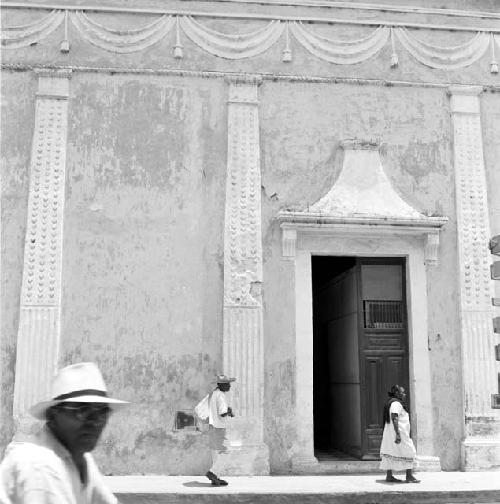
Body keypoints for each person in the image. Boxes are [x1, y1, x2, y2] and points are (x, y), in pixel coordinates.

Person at [0, 362, 129, 503]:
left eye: (102, 412)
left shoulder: (80, 457)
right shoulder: (39, 463)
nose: (94, 421)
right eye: (83, 411)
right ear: (53, 415)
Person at [379, 384, 420, 483]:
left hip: (392, 433)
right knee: (409, 451)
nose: (405, 394)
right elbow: (394, 417)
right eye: (403, 392)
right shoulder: (396, 404)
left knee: (391, 452)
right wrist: (398, 434)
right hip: (399, 433)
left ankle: (389, 476)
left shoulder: (393, 403)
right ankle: (409, 476)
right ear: (397, 393)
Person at [205, 374, 235, 487]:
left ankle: (215, 478)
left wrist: (227, 410)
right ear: (222, 385)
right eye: (227, 384)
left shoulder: (214, 394)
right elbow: (222, 413)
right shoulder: (221, 395)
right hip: (219, 427)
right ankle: (212, 473)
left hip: (212, 426)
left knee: (215, 452)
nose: (229, 387)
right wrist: (228, 411)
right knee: (226, 451)